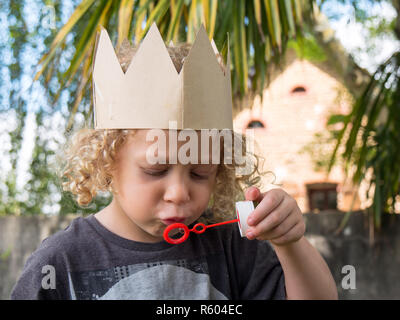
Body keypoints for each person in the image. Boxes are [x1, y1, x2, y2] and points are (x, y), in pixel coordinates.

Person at [11, 24, 338, 300]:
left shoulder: (234, 248)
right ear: (107, 162)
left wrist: (289, 244)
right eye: (156, 170)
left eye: (200, 172)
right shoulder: (61, 262)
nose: (179, 192)